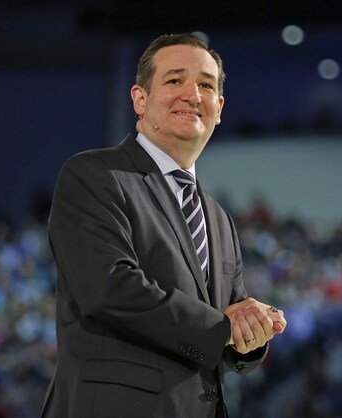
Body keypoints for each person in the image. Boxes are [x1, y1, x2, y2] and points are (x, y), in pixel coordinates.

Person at [39, 33, 286, 418]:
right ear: (140, 99)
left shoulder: (219, 219)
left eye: (206, 85)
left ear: (219, 108)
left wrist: (251, 333)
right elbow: (109, 289)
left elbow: (225, 324)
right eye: (174, 80)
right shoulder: (95, 175)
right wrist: (223, 328)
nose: (192, 95)